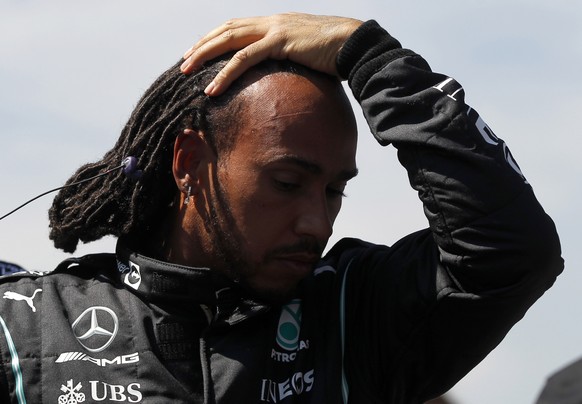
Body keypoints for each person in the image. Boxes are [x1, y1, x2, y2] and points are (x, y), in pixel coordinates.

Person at [0, 12, 563, 404]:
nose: (317, 223)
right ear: (189, 163)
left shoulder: (352, 319)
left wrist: (371, 57)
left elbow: (511, 251)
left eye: (336, 190)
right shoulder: (25, 328)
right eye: (289, 183)